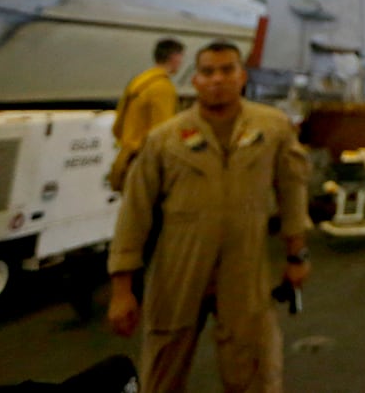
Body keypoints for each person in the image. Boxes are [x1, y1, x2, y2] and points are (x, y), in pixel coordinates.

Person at [107, 41, 311, 393]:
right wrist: (122, 289)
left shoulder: (272, 129)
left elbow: (292, 192)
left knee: (254, 365)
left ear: (242, 76)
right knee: (162, 366)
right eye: (208, 72)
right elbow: (134, 213)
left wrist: (297, 254)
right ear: (196, 80)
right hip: (178, 266)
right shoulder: (164, 140)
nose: (218, 79)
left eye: (227, 70)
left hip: (245, 266)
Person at [108, 38, 184, 192]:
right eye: (181, 57)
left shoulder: (137, 82)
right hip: (147, 167)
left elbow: (117, 127)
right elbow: (164, 135)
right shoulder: (163, 88)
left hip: (126, 161)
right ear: (174, 57)